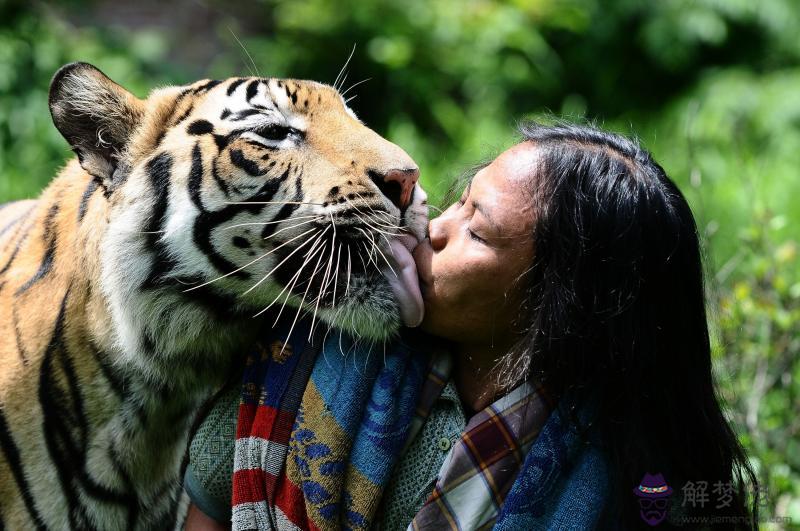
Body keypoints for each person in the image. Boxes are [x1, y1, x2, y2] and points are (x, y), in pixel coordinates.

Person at [184, 121, 757, 530]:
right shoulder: (311, 356)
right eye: (459, 202)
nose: (429, 229)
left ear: (560, 304)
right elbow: (212, 502)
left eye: (477, 232)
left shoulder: (640, 485)